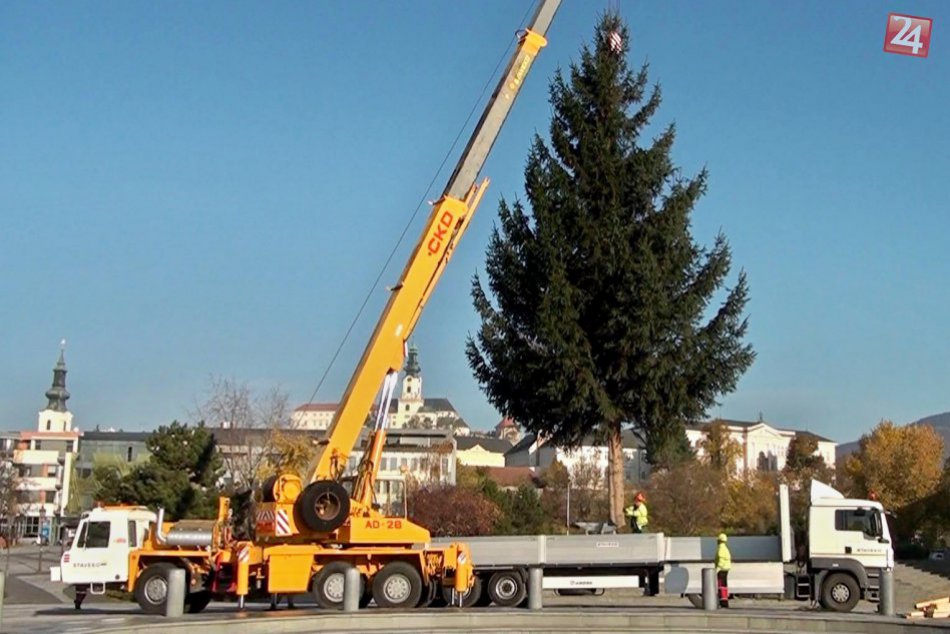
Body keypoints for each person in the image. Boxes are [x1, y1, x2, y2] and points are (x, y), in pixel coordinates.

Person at [715, 533, 731, 608]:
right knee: (724, 585)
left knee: (721, 585)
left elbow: (721, 560)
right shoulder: (725, 548)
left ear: (719, 540)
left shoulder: (721, 548)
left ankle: (723, 602)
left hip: (721, 569)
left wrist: (717, 569)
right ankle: (725, 601)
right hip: (726, 569)